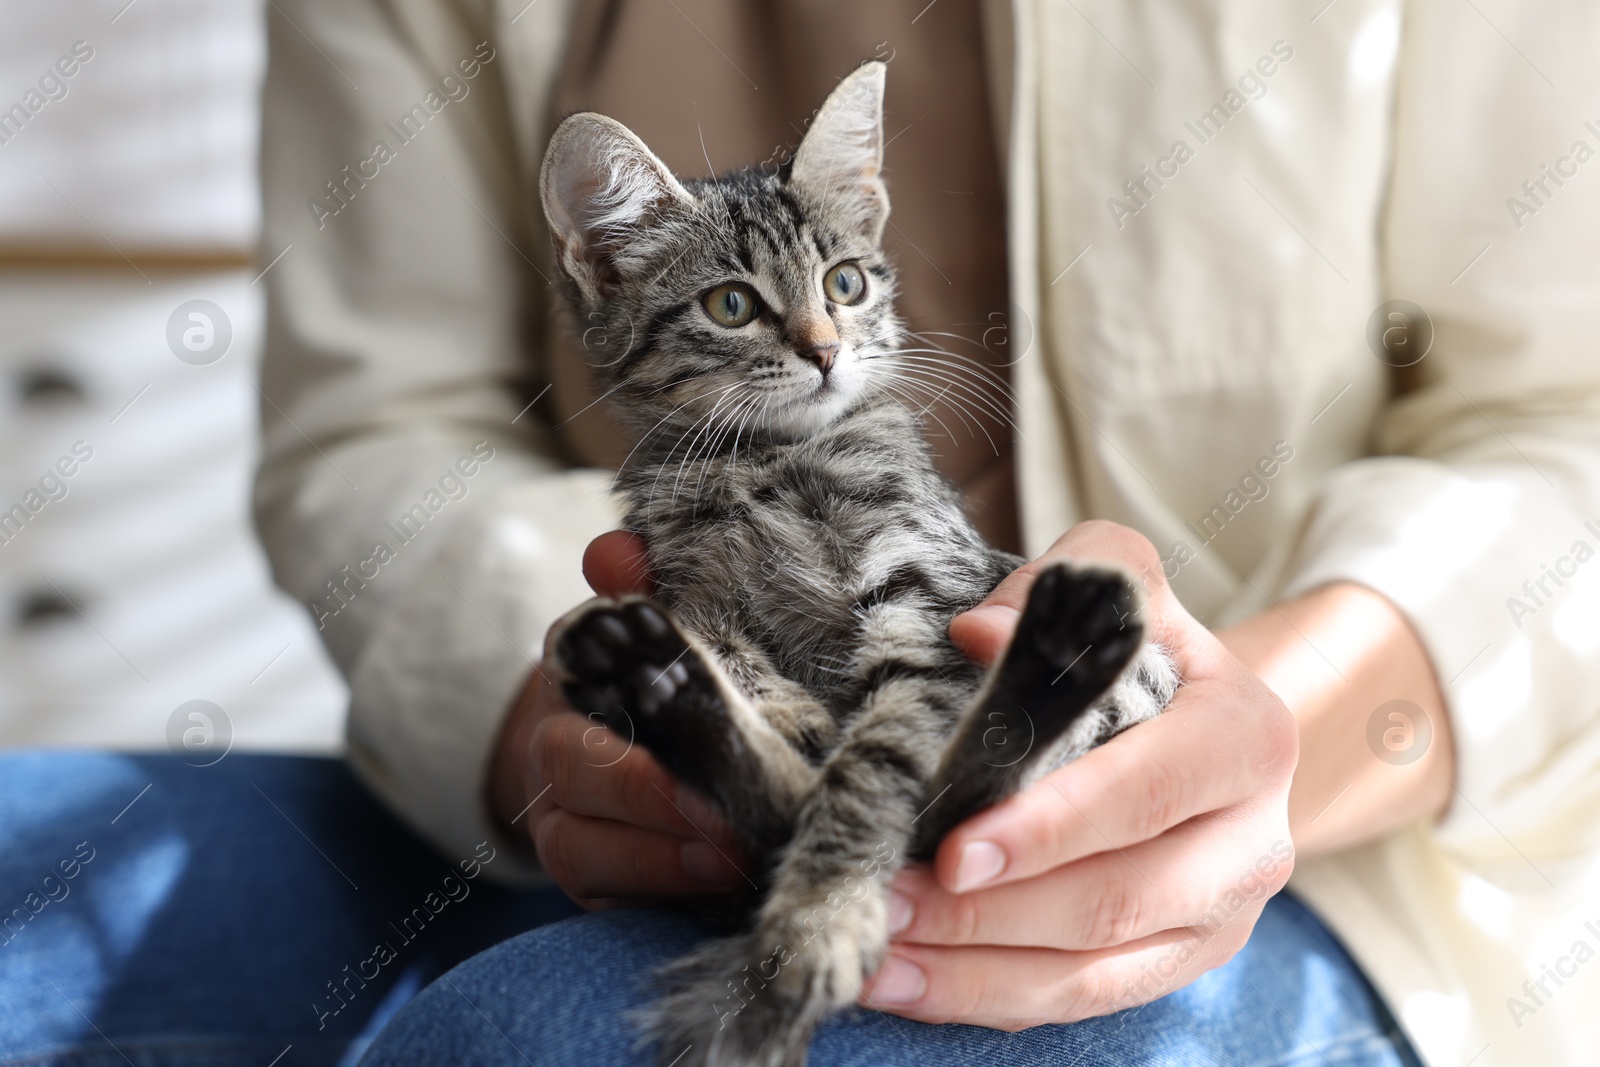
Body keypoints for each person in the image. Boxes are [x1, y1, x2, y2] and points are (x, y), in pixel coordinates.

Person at [3, 1, 1595, 1065]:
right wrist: (568, 733)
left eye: (842, 293)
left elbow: (1564, 428)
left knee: (551, 1037)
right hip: (599, 797)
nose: (827, 344)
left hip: (1324, 839)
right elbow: (379, 425)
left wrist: (1266, 743)